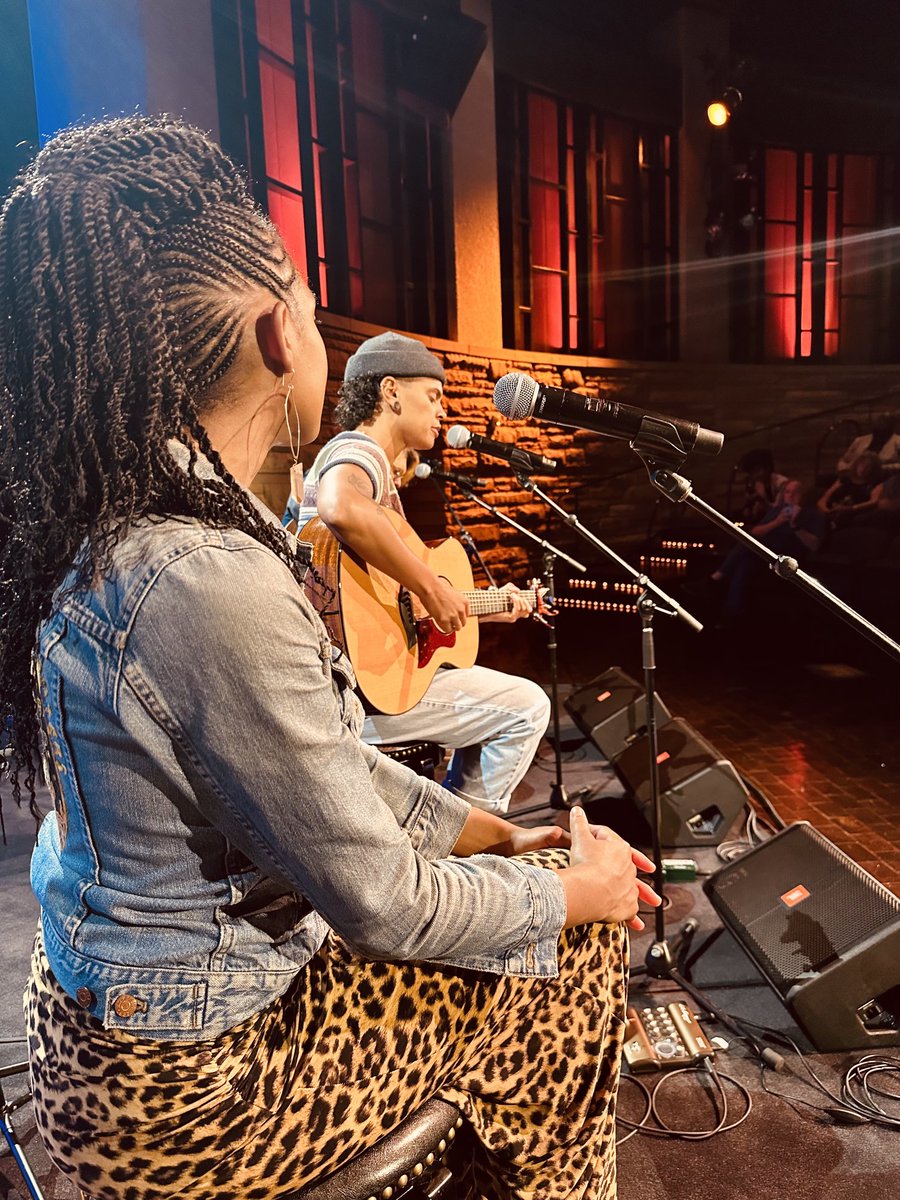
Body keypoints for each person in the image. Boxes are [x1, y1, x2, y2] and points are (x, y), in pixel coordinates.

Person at [0, 116, 659, 1200]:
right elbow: (382, 904)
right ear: (278, 331)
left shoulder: (132, 525)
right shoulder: (203, 577)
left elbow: (330, 771)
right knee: (570, 952)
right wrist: (573, 898)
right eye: (312, 304)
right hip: (188, 1092)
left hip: (122, 1028)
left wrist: (492, 832)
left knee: (525, 901)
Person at [295, 331, 552, 814]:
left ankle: (448, 827)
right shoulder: (359, 451)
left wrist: (485, 606)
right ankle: (464, 843)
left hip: (356, 682)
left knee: (493, 690)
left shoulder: (381, 474)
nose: (442, 411)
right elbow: (338, 505)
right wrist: (432, 586)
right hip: (349, 696)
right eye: (433, 396)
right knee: (528, 707)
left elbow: (392, 603)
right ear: (391, 391)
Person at [712, 479, 826, 623]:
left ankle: (717, 579)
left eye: (795, 493)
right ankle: (731, 613)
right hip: (765, 553)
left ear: (803, 495)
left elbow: (814, 545)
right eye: (788, 492)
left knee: (748, 552)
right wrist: (776, 522)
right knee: (745, 563)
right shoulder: (778, 511)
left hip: (790, 558)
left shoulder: (813, 514)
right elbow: (755, 531)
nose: (790, 496)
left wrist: (795, 525)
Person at [817, 451, 884, 527]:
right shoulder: (845, 478)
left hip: (851, 515)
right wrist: (826, 511)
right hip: (830, 512)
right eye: (861, 464)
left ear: (873, 469)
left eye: (868, 467)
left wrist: (851, 508)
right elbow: (824, 499)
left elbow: (874, 501)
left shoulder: (874, 483)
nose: (863, 469)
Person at [734, 447, 788, 527]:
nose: (753, 475)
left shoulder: (782, 484)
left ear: (767, 468)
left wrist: (762, 501)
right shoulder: (758, 484)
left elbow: (778, 511)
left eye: (756, 471)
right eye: (751, 472)